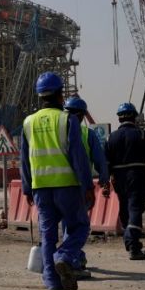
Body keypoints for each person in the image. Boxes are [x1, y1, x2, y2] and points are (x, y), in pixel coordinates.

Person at [20, 73, 96, 290]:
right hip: (67, 186)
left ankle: (53, 284)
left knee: (48, 235)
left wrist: (26, 188)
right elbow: (78, 157)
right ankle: (64, 257)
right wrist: (87, 186)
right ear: (60, 94)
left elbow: (24, 159)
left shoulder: (27, 122)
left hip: (40, 188)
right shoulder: (67, 120)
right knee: (79, 227)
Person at [105, 103, 145, 260]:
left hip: (118, 178)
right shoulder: (142, 135)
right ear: (135, 117)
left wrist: (106, 181)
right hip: (137, 176)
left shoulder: (110, 137)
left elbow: (105, 163)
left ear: (119, 118)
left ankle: (130, 239)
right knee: (135, 208)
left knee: (125, 208)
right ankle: (133, 244)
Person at [62, 96, 110, 279]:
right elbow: (100, 161)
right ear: (82, 116)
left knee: (66, 225)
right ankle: (70, 260)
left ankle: (75, 257)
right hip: (79, 187)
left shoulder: (56, 131)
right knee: (77, 226)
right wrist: (104, 180)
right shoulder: (87, 134)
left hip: (54, 187)